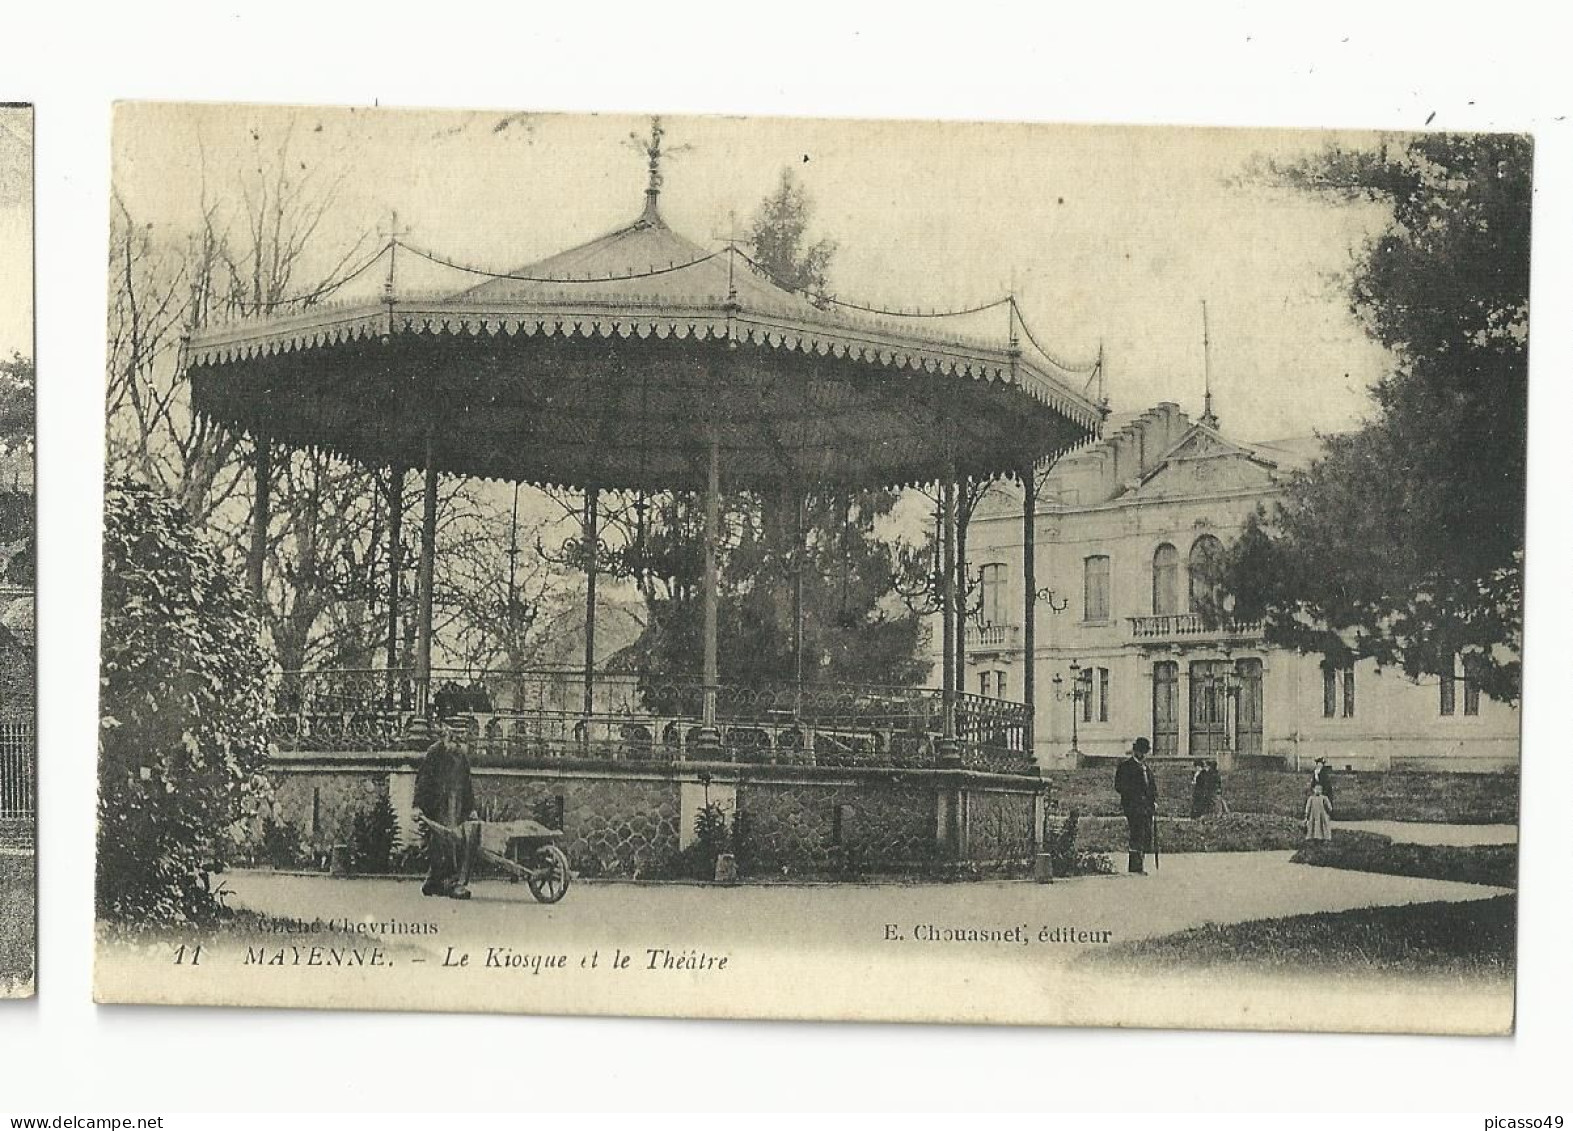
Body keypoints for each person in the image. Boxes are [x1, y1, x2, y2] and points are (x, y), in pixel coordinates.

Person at [413, 718, 481, 899]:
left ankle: (435, 882)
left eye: (461, 739)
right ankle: (451, 883)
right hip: (438, 806)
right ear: (447, 734)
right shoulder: (434, 752)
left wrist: (471, 809)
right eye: (455, 738)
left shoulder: (462, 757)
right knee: (442, 844)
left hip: (457, 805)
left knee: (454, 843)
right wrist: (417, 806)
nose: (458, 743)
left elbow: (467, 785)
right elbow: (423, 781)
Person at [1114, 737, 1159, 874]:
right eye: (1140, 751)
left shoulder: (1146, 768)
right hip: (1133, 807)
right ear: (1135, 751)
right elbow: (1119, 786)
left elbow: (1151, 787)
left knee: (1146, 835)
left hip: (1147, 807)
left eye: (1144, 752)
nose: (1143, 754)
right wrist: (1135, 796)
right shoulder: (1125, 767)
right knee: (1136, 834)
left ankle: (1140, 864)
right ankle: (1135, 867)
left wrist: (1153, 801)